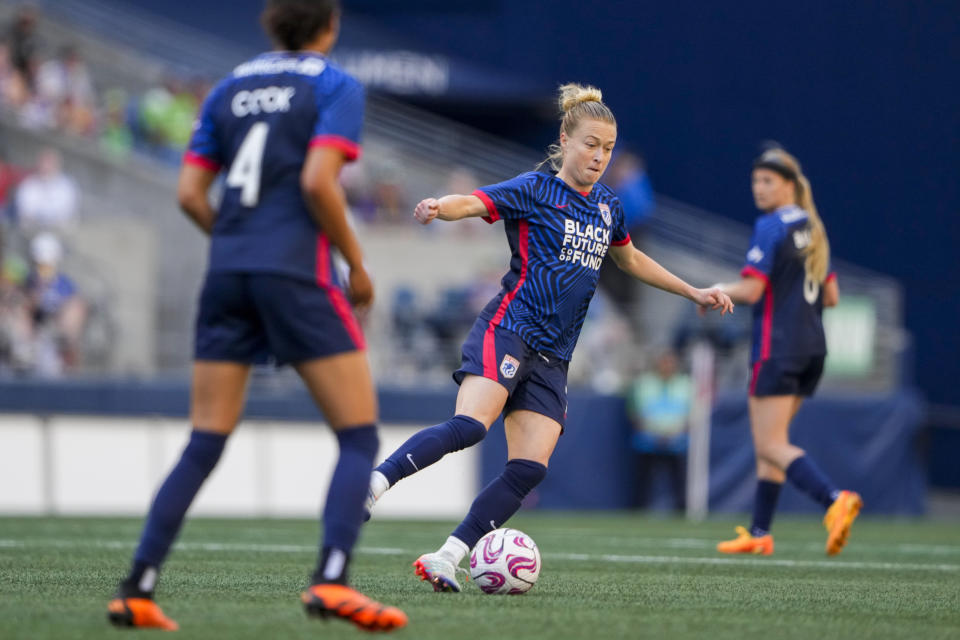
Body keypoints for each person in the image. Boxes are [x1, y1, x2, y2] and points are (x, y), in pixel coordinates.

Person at [105, 0, 406, 632]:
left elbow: (189, 193)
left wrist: (239, 245)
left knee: (205, 439)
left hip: (227, 273)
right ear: (329, 26)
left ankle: (137, 587)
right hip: (297, 272)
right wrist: (356, 263)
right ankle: (331, 581)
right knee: (358, 437)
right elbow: (318, 182)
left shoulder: (228, 87)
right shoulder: (335, 85)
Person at [364, 83, 733, 592]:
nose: (599, 156)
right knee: (471, 427)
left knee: (527, 471)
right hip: (509, 329)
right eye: (591, 144)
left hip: (554, 357)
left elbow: (628, 259)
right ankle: (375, 482)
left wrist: (692, 290)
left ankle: (447, 557)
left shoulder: (608, 206)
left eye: (608, 148)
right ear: (565, 137)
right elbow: (475, 202)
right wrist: (438, 206)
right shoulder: (535, 189)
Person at [713, 147, 861, 556]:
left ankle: (835, 500)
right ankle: (760, 532)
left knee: (770, 445)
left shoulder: (771, 226)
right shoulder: (814, 227)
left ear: (790, 185)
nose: (759, 189)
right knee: (773, 442)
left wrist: (714, 291)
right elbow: (831, 296)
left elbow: (753, 290)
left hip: (777, 348)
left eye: (768, 181)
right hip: (813, 348)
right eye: (755, 181)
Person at [626, 349, 690, 511]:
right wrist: (653, 433)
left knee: (679, 481)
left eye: (670, 362)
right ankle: (638, 510)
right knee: (643, 481)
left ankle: (681, 511)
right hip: (648, 440)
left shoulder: (686, 385)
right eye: (664, 362)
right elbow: (634, 411)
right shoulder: (643, 384)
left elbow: (692, 414)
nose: (667, 366)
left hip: (676, 441)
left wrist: (676, 433)